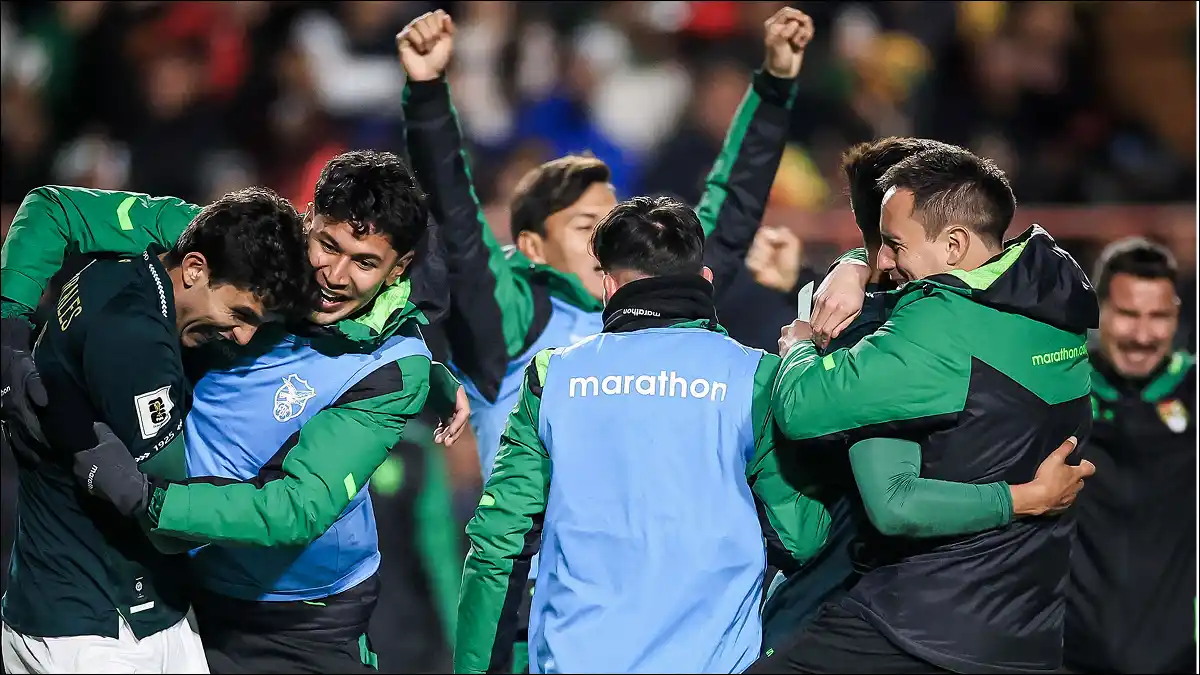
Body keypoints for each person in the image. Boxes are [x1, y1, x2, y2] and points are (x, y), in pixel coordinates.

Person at [398, 7, 816, 669]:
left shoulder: (667, 320)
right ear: (531, 244)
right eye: (588, 224)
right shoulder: (514, 319)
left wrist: (771, 88)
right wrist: (427, 98)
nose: (606, 240)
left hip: (651, 617)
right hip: (534, 615)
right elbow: (454, 212)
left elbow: (726, 216)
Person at [0, 152, 469, 673]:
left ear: (397, 268)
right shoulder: (239, 251)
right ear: (308, 216)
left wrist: (151, 501)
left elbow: (298, 509)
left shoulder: (393, 370)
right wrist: (8, 322)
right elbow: (55, 211)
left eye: (364, 262)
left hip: (303, 620)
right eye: (329, 245)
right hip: (192, 588)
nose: (333, 276)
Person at [756, 146, 1099, 674]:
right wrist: (850, 265)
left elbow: (807, 413)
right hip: (1029, 634)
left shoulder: (938, 327)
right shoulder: (1050, 296)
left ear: (955, 244)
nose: (885, 263)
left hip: (922, 626)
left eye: (893, 244)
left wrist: (799, 343)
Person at [455, 195, 831, 675]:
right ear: (706, 282)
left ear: (608, 286)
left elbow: (496, 547)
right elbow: (801, 536)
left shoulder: (554, 377)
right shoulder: (756, 377)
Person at [1, 188, 318, 674]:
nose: (244, 338)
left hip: (109, 606)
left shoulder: (126, 260)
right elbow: (167, 518)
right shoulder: (139, 343)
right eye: (240, 315)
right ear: (194, 269)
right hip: (96, 629)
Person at [1065, 238, 1195, 674]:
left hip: (1179, 657)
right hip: (1068, 655)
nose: (1142, 335)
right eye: (1127, 314)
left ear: (1177, 315)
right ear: (1098, 312)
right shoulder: (1059, 388)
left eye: (1158, 316)